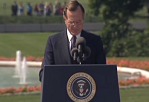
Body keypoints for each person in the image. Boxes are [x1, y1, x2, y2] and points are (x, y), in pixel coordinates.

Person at [39, 0, 106, 82]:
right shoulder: (53, 42)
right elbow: (44, 73)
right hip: (61, 92)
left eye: (79, 21)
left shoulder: (95, 41)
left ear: (83, 19)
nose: (75, 26)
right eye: (72, 22)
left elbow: (103, 72)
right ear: (65, 19)